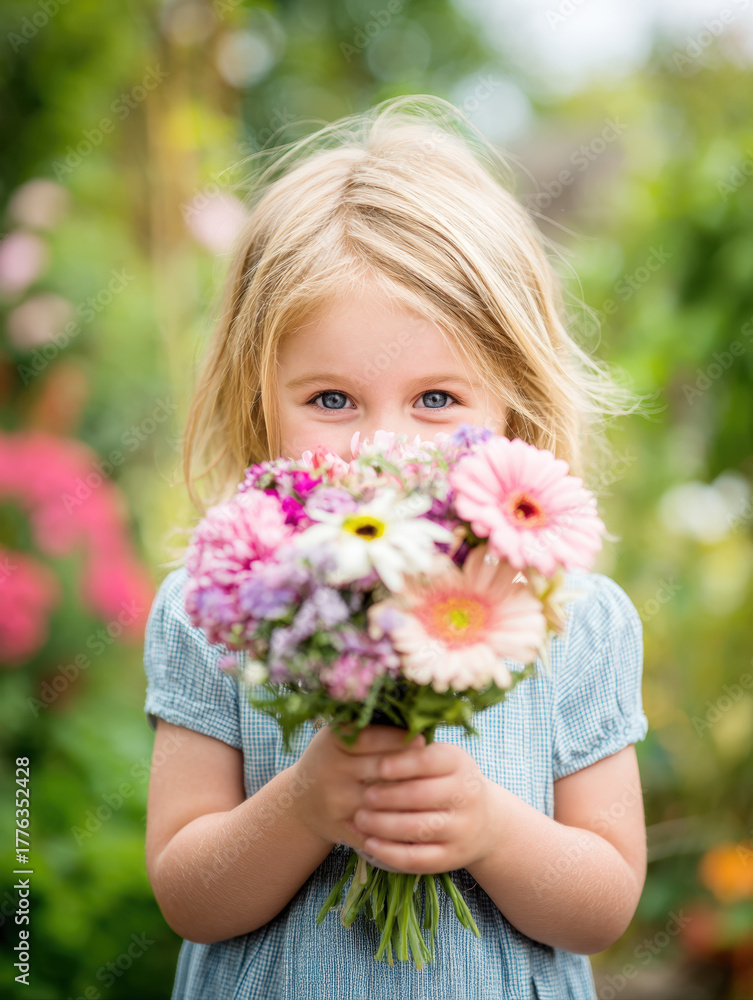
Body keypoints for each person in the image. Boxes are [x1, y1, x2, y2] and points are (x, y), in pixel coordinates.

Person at [142, 94, 652, 1000]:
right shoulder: (215, 609)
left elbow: (604, 900)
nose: (384, 449)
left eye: (437, 400)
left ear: (513, 401)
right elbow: (189, 893)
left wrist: (493, 829)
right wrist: (304, 804)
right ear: (257, 398)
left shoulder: (576, 618)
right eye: (332, 401)